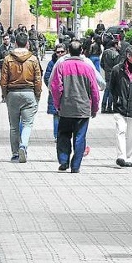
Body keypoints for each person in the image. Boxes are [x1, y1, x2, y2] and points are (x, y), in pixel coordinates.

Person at [50, 40, 100, 173]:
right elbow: (94, 90)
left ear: (68, 51)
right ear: (82, 51)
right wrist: (94, 108)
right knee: (80, 137)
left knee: (63, 135)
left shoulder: (62, 66)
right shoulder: (88, 67)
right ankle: (76, 165)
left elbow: (56, 87)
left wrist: (57, 104)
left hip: (66, 107)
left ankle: (63, 160)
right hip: (83, 109)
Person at [0, 32, 42, 163]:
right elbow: (38, 80)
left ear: (15, 43)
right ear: (27, 43)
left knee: (13, 126)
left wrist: (5, 94)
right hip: (29, 92)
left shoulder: (8, 58)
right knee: (27, 124)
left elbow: (3, 80)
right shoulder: (33, 59)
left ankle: (15, 153)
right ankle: (23, 145)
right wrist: (37, 95)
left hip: (12, 93)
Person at [44, 44, 67, 142]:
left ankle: (65, 134)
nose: (60, 54)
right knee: (56, 115)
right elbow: (47, 77)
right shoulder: (51, 63)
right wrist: (53, 88)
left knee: (66, 115)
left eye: (62, 51)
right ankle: (57, 136)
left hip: (67, 93)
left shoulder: (68, 62)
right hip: (55, 93)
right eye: (58, 52)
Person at [100, 39, 120, 113]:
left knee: (107, 90)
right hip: (113, 74)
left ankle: (103, 106)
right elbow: (117, 67)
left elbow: (101, 63)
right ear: (115, 45)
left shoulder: (105, 52)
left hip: (107, 73)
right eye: (118, 44)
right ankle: (109, 107)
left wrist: (106, 69)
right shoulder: (116, 54)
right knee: (112, 91)